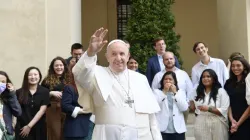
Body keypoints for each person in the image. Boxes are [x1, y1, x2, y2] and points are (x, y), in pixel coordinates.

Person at [72, 27, 162, 140]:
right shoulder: (97, 74)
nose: (118, 58)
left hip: (140, 135)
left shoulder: (141, 79)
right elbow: (80, 74)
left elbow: (152, 116)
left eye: (122, 54)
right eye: (113, 54)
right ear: (107, 57)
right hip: (106, 136)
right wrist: (90, 52)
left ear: (128, 56)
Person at [152, 52, 193, 123]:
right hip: (164, 110)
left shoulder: (183, 74)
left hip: (182, 107)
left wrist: (188, 103)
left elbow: (190, 90)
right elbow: (153, 91)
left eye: (171, 58)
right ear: (163, 61)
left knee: (181, 130)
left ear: (174, 59)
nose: (169, 61)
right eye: (166, 59)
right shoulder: (158, 75)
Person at [190, 69, 229, 140]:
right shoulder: (197, 91)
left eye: (208, 76)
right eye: (203, 77)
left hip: (217, 122)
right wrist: (192, 105)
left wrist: (209, 109)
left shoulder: (221, 91)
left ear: (214, 79)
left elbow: (224, 109)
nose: (205, 79)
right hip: (201, 121)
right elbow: (191, 101)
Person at [15, 67, 50, 140]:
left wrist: (29, 126)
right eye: (30, 75)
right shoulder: (19, 92)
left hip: (39, 128)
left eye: (35, 74)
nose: (33, 77)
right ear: (26, 77)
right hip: (22, 128)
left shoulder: (45, 91)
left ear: (39, 76)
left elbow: (42, 111)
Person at [41, 56, 71, 140]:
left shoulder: (70, 79)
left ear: (64, 66)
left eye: (61, 65)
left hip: (68, 109)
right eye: (56, 65)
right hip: (53, 109)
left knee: (67, 133)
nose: (59, 67)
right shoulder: (47, 80)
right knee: (55, 133)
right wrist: (50, 93)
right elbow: (40, 96)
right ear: (52, 67)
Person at [154, 71, 188, 140]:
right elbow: (155, 106)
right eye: (165, 79)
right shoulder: (157, 92)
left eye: (170, 79)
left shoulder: (180, 92)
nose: (168, 81)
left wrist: (175, 93)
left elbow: (184, 108)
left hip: (178, 129)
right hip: (162, 128)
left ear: (174, 81)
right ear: (162, 81)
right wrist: (164, 92)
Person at [61, 67, 93, 140]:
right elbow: (65, 105)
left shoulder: (90, 88)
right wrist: (80, 111)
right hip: (75, 128)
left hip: (90, 125)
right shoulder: (70, 87)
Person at [224, 57, 250, 140]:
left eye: (238, 65)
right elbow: (227, 102)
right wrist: (232, 120)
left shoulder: (248, 82)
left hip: (246, 119)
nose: (235, 68)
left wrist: (238, 123)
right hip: (232, 119)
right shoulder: (228, 83)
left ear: (244, 66)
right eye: (233, 66)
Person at [0, 71, 22, 138]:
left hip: (5, 134)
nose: (0, 83)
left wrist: (12, 94)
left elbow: (18, 112)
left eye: (3, 82)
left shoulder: (8, 98)